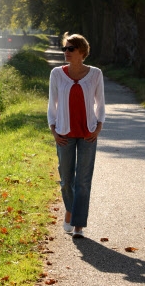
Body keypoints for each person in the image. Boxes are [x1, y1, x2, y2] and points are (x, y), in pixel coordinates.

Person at [47, 33, 105, 238]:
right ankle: (70, 210)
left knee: (82, 180)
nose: (66, 53)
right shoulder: (56, 74)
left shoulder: (95, 74)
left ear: (82, 52)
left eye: (71, 49)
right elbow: (52, 104)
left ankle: (78, 224)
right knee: (65, 179)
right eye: (65, 49)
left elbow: (100, 103)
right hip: (64, 133)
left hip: (88, 132)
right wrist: (53, 130)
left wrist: (98, 127)